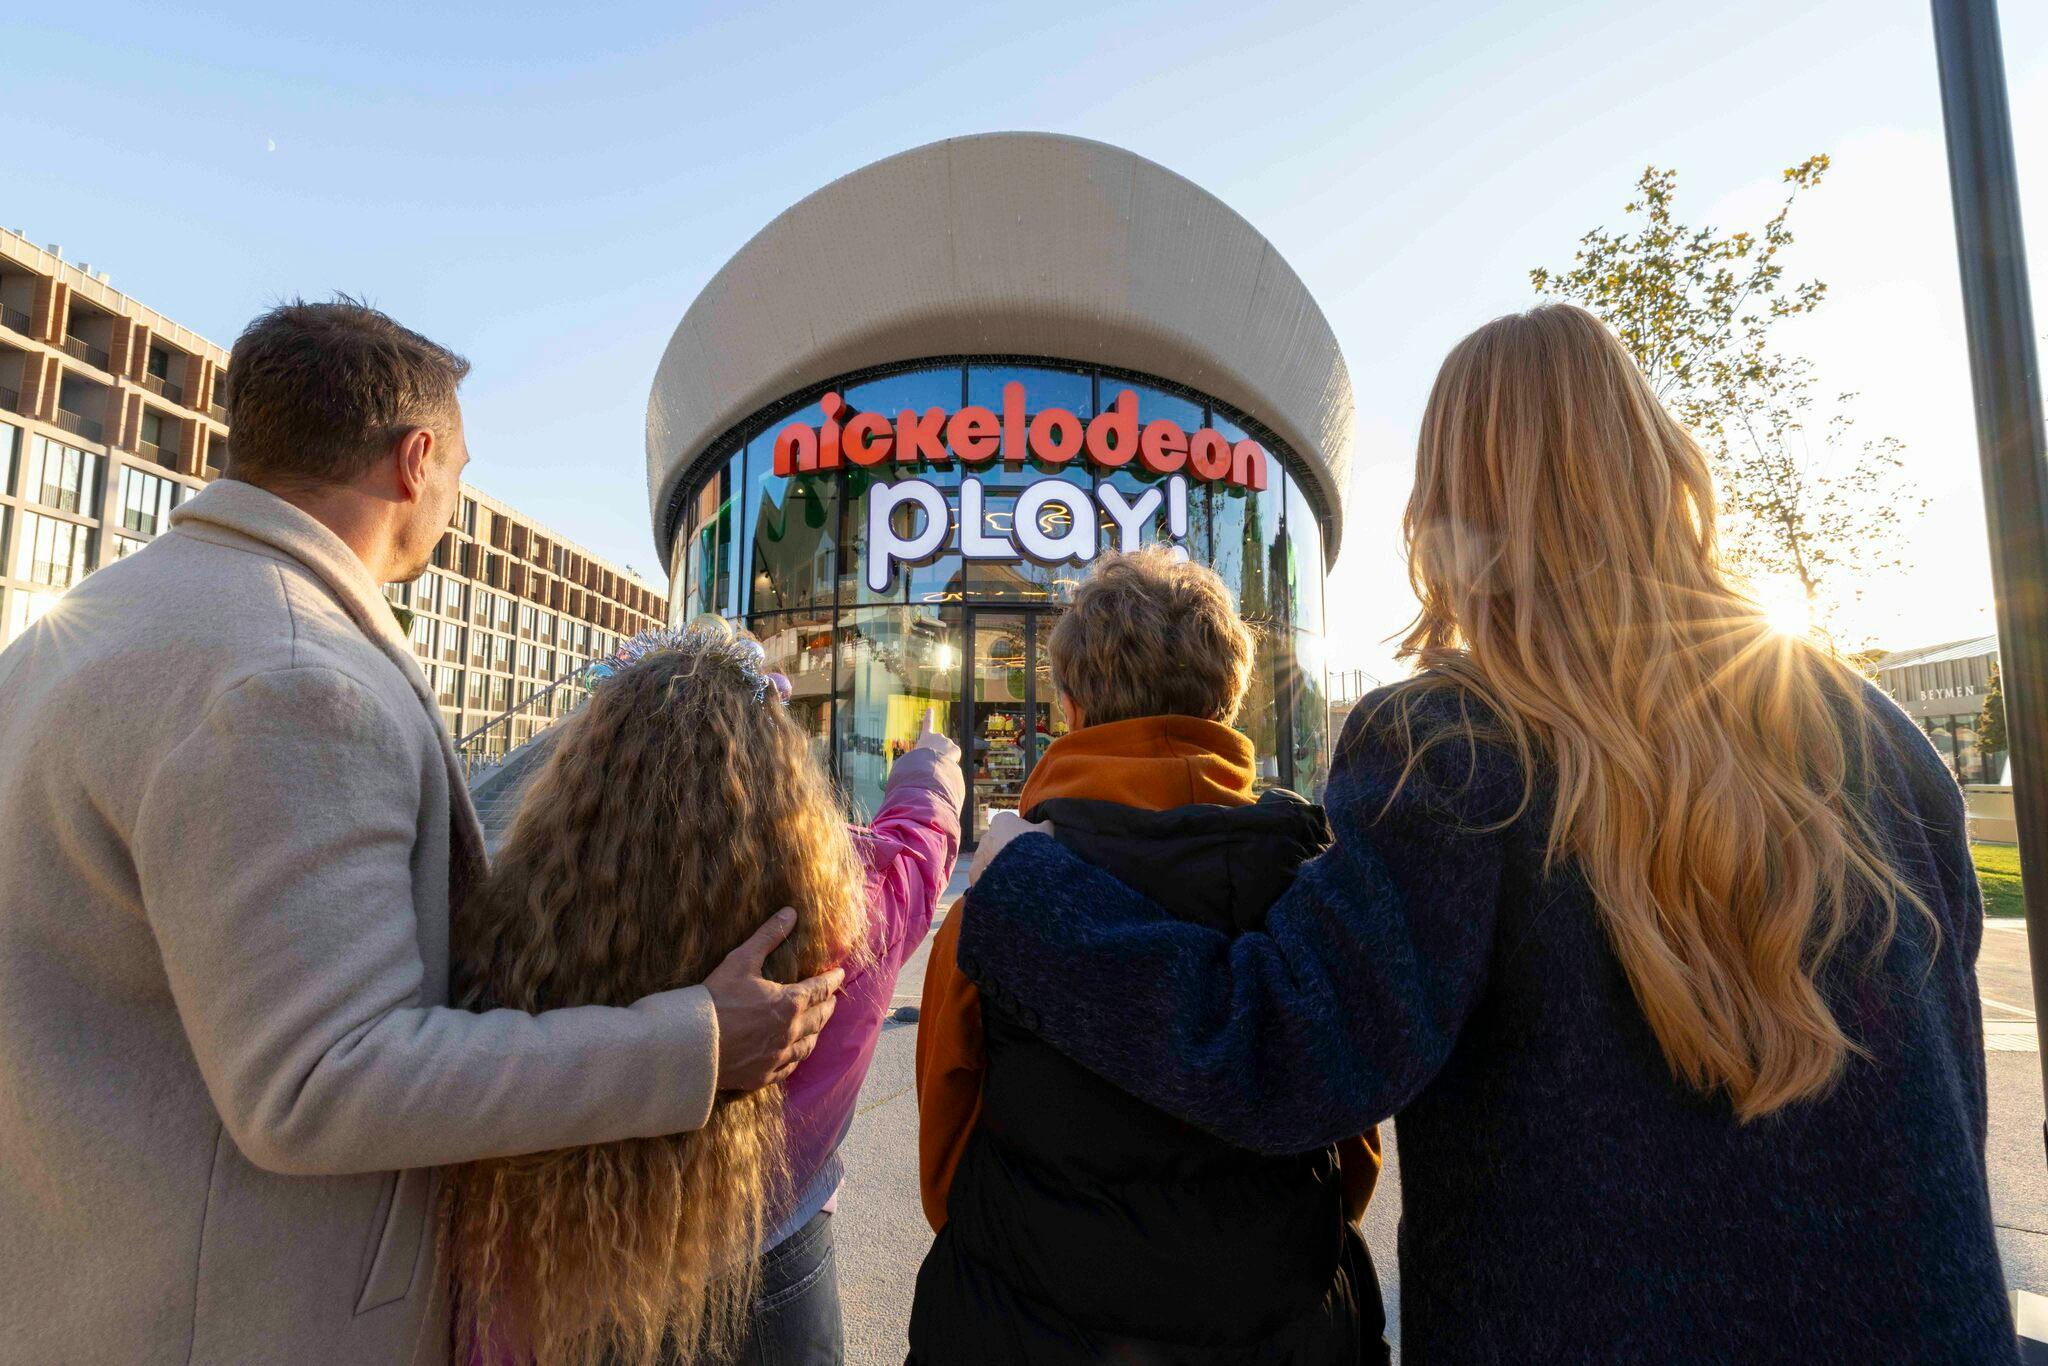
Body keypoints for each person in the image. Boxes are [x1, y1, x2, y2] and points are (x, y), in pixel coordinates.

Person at [960, 305, 2018, 1361]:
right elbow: (1948, 1082)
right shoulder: (1881, 738)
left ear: (1455, 508)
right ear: (1657, 466)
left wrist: (1022, 878)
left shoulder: (1454, 747)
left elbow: (1281, 1054)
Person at [0, 299, 842, 1366]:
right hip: (232, 1323)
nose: (453, 499)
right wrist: (695, 1041)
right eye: (458, 471)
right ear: (416, 459)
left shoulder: (81, 633)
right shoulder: (295, 677)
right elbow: (320, 1079)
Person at [908, 547, 1386, 1365]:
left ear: (1067, 705)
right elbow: (1355, 1151)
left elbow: (946, 1162)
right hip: (1290, 1324)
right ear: (1231, 698)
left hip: (1027, 1323)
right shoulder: (1318, 884)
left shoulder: (1000, 895)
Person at [445, 626, 963, 1366]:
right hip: (774, 1281)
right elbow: (914, 850)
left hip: (560, 1298)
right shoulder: (845, 919)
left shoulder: (511, 927)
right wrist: (929, 770)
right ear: (785, 776)